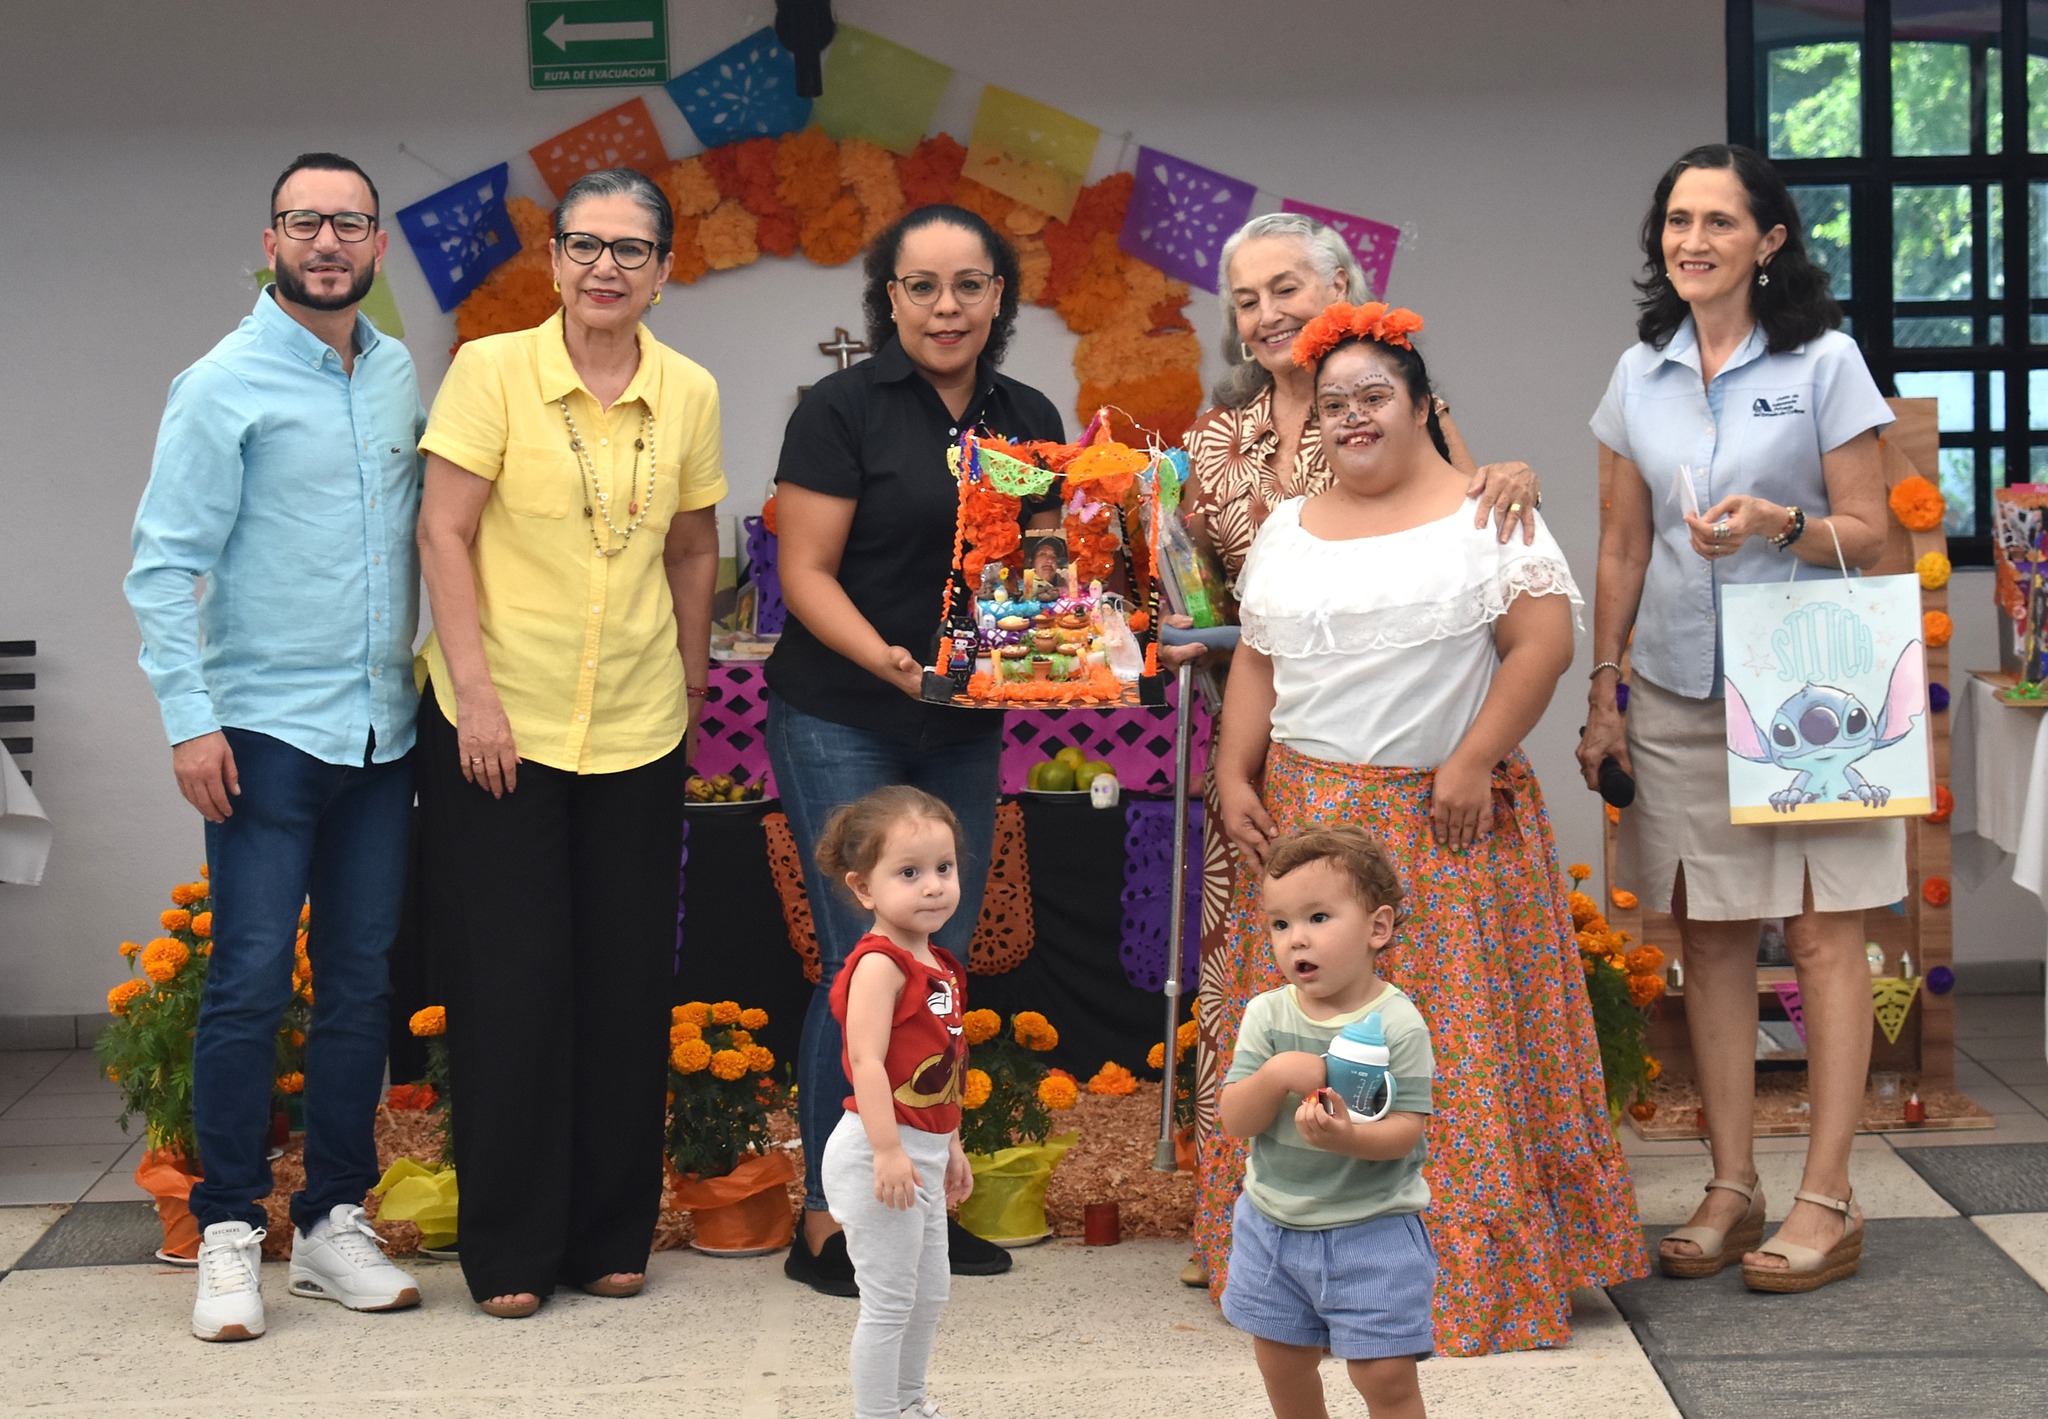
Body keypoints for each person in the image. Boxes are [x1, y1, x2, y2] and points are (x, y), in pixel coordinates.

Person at [1212, 300, 1645, 1354]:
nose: (1352, 418)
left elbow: (1537, 643)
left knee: (1449, 1049)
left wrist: (1472, 760)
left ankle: (1459, 1276)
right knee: (1313, 1041)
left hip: (1440, 820)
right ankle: (1302, 1261)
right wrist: (1231, 772)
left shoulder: (1484, 512)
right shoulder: (1285, 527)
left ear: (1419, 407)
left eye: (1373, 397)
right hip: (1309, 821)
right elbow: (1256, 660)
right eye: (1332, 404)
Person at [1179, 212, 1543, 1292]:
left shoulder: (1402, 406)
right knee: (1273, 1004)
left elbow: (1473, 559)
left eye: (1285, 287)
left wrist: (1507, 476)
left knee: (1423, 1016)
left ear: (1342, 289)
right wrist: (1227, 764)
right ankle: (1267, 1233)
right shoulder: (1211, 444)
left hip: (1414, 765)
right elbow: (1227, 618)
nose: (1265, 313)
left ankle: (1434, 1245)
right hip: (1278, 763)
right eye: (1245, 298)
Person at [1580, 143, 1898, 1293]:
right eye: (1676, 219)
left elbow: (1870, 531)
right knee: (1708, 934)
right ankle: (1730, 1183)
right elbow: (1620, 541)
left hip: (1807, 681)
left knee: (1819, 933)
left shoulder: (1823, 363)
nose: (1692, 240)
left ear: (1767, 241)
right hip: (1672, 683)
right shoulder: (1638, 371)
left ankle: (1826, 1195)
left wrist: (1775, 523)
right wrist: (1600, 682)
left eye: (1718, 220)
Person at [414, 168, 725, 1317]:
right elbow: (443, 533)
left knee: (624, 983)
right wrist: (478, 696)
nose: (606, 267)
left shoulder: (687, 390)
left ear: (662, 268)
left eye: (631, 249)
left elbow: (693, 549)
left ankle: (606, 1235)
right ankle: (506, 1252)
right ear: (551, 263)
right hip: (503, 725)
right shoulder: (491, 370)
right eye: (585, 245)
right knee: (511, 984)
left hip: (637, 728)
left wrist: (690, 679)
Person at [125, 152, 424, 1341]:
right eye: (305, 222)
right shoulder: (221, 382)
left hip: (381, 732)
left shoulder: (400, 373)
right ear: (269, 241)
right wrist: (188, 719)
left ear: (377, 246)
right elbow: (161, 566)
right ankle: (233, 1229)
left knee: (360, 988)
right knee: (248, 985)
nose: (327, 242)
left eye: (349, 222)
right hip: (259, 734)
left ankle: (336, 1220)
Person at [766, 204, 1063, 1294]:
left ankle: (923, 1201)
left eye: (969, 285)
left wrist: (1088, 627)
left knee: (935, 954)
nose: (947, 307)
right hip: (843, 711)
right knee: (867, 964)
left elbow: (1039, 570)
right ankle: (825, 1219)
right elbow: (804, 575)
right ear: (887, 298)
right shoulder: (840, 410)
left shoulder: (1027, 413)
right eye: (923, 286)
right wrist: (893, 663)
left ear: (999, 298)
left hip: (961, 725)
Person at [1219, 826, 1435, 1419]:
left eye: (1318, 916)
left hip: (1373, 1229)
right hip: (1274, 1226)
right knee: (1282, 1363)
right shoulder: (1267, 1013)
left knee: (1385, 1374)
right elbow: (1234, 1120)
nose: (1296, 939)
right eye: (1280, 924)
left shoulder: (1398, 1024)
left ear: (1378, 928)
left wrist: (1350, 1138)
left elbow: (1407, 1131)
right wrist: (1275, 1075)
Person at [817, 787, 975, 1419]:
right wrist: (887, 1150)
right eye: (909, 873)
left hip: (923, 1153)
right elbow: (867, 1063)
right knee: (889, 1302)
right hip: (879, 1156)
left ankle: (911, 1406)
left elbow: (940, 1067)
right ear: (864, 889)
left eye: (944, 868)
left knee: (929, 1294)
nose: (933, 886)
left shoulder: (937, 962)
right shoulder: (880, 966)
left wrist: (951, 1144)